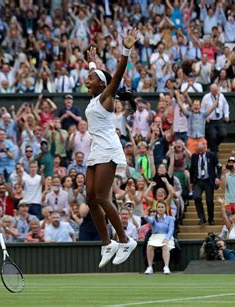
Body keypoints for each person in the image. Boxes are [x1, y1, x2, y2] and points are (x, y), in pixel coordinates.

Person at [84, 29, 139, 268]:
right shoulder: (95, 98)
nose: (87, 79)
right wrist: (93, 62)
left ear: (102, 84)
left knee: (101, 196)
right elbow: (100, 76)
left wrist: (126, 49)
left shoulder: (107, 96)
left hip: (108, 149)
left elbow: (116, 74)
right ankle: (108, 244)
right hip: (96, 149)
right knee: (89, 198)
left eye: (91, 77)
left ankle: (125, 240)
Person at [189, 140, 221, 225]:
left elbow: (219, 167)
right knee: (196, 197)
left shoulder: (212, 155)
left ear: (205, 148)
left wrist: (218, 177)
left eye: (201, 150)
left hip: (208, 180)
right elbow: (192, 169)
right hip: (198, 181)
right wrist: (191, 182)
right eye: (198, 150)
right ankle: (202, 218)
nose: (200, 152)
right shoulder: (194, 156)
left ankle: (211, 218)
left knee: (209, 200)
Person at [143, 201, 175, 275]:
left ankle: (166, 267)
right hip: (155, 236)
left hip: (166, 236)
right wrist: (146, 216)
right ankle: (150, 267)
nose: (160, 209)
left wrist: (167, 239)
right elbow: (149, 220)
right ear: (156, 208)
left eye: (162, 207)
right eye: (158, 207)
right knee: (150, 246)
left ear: (165, 208)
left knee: (165, 246)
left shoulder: (170, 218)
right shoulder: (153, 218)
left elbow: (171, 229)